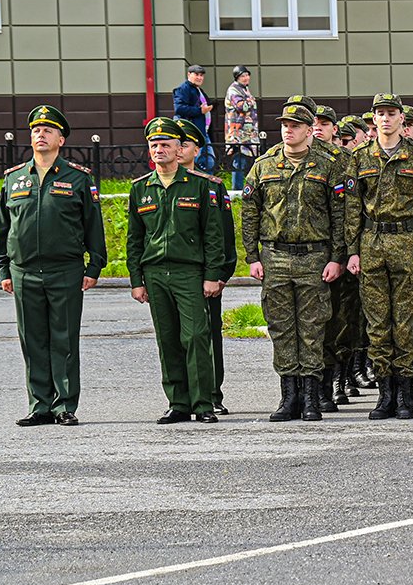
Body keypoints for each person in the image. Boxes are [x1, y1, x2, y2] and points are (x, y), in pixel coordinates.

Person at [0, 106, 108, 428]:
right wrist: (4, 270)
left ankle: (64, 405)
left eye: (47, 130)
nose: (40, 135)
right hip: (24, 271)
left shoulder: (78, 178)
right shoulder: (14, 179)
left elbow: (92, 227)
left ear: (61, 138)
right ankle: (39, 405)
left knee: (64, 340)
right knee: (32, 340)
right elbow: (4, 229)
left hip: (65, 270)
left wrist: (94, 267)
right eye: (35, 130)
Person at [241, 102, 347, 422]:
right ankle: (289, 397)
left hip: (315, 256)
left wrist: (338, 257)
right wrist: (252, 256)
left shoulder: (328, 164)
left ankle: (312, 397)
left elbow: (340, 215)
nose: (288, 130)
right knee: (282, 328)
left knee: (313, 328)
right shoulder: (263, 165)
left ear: (308, 129)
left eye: (296, 125)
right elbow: (250, 213)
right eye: (285, 124)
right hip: (275, 256)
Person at [345, 93, 413, 421]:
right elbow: (352, 208)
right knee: (377, 323)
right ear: (373, 119)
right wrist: (352, 251)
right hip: (371, 244)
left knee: (405, 323)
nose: (385, 119)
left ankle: (404, 392)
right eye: (380, 113)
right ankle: (385, 392)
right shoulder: (359, 158)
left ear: (402, 118)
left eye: (391, 113)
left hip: (406, 244)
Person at [127, 117, 228, 425]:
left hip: (189, 273)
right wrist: (136, 280)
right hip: (155, 273)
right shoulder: (141, 188)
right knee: (168, 339)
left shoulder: (199, 186)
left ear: (178, 148)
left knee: (196, 336)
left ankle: (203, 402)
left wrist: (213, 274)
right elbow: (134, 238)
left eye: (166, 145)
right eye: (154, 145)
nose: (159, 149)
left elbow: (213, 235)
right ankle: (178, 402)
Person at [174, 117, 236, 415]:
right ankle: (183, 396)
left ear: (196, 150)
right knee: (176, 336)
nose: (178, 149)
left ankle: (212, 393)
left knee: (208, 335)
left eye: (184, 144)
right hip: (173, 274)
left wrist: (222, 272)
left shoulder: (211, 187)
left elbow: (224, 233)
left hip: (204, 273)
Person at [172, 64, 216, 173]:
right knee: (194, 161)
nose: (199, 77)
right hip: (191, 133)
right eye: (196, 74)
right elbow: (179, 108)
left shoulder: (198, 90)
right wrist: (199, 111)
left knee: (208, 162)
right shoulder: (184, 88)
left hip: (202, 132)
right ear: (189, 74)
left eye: (201, 75)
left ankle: (206, 185)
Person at [225, 66, 261, 190]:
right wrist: (250, 101)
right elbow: (242, 107)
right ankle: (237, 190)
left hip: (246, 132)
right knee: (239, 159)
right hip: (238, 132)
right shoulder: (234, 89)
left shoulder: (244, 89)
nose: (246, 78)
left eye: (247, 75)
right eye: (242, 76)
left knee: (244, 159)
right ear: (237, 78)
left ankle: (243, 187)